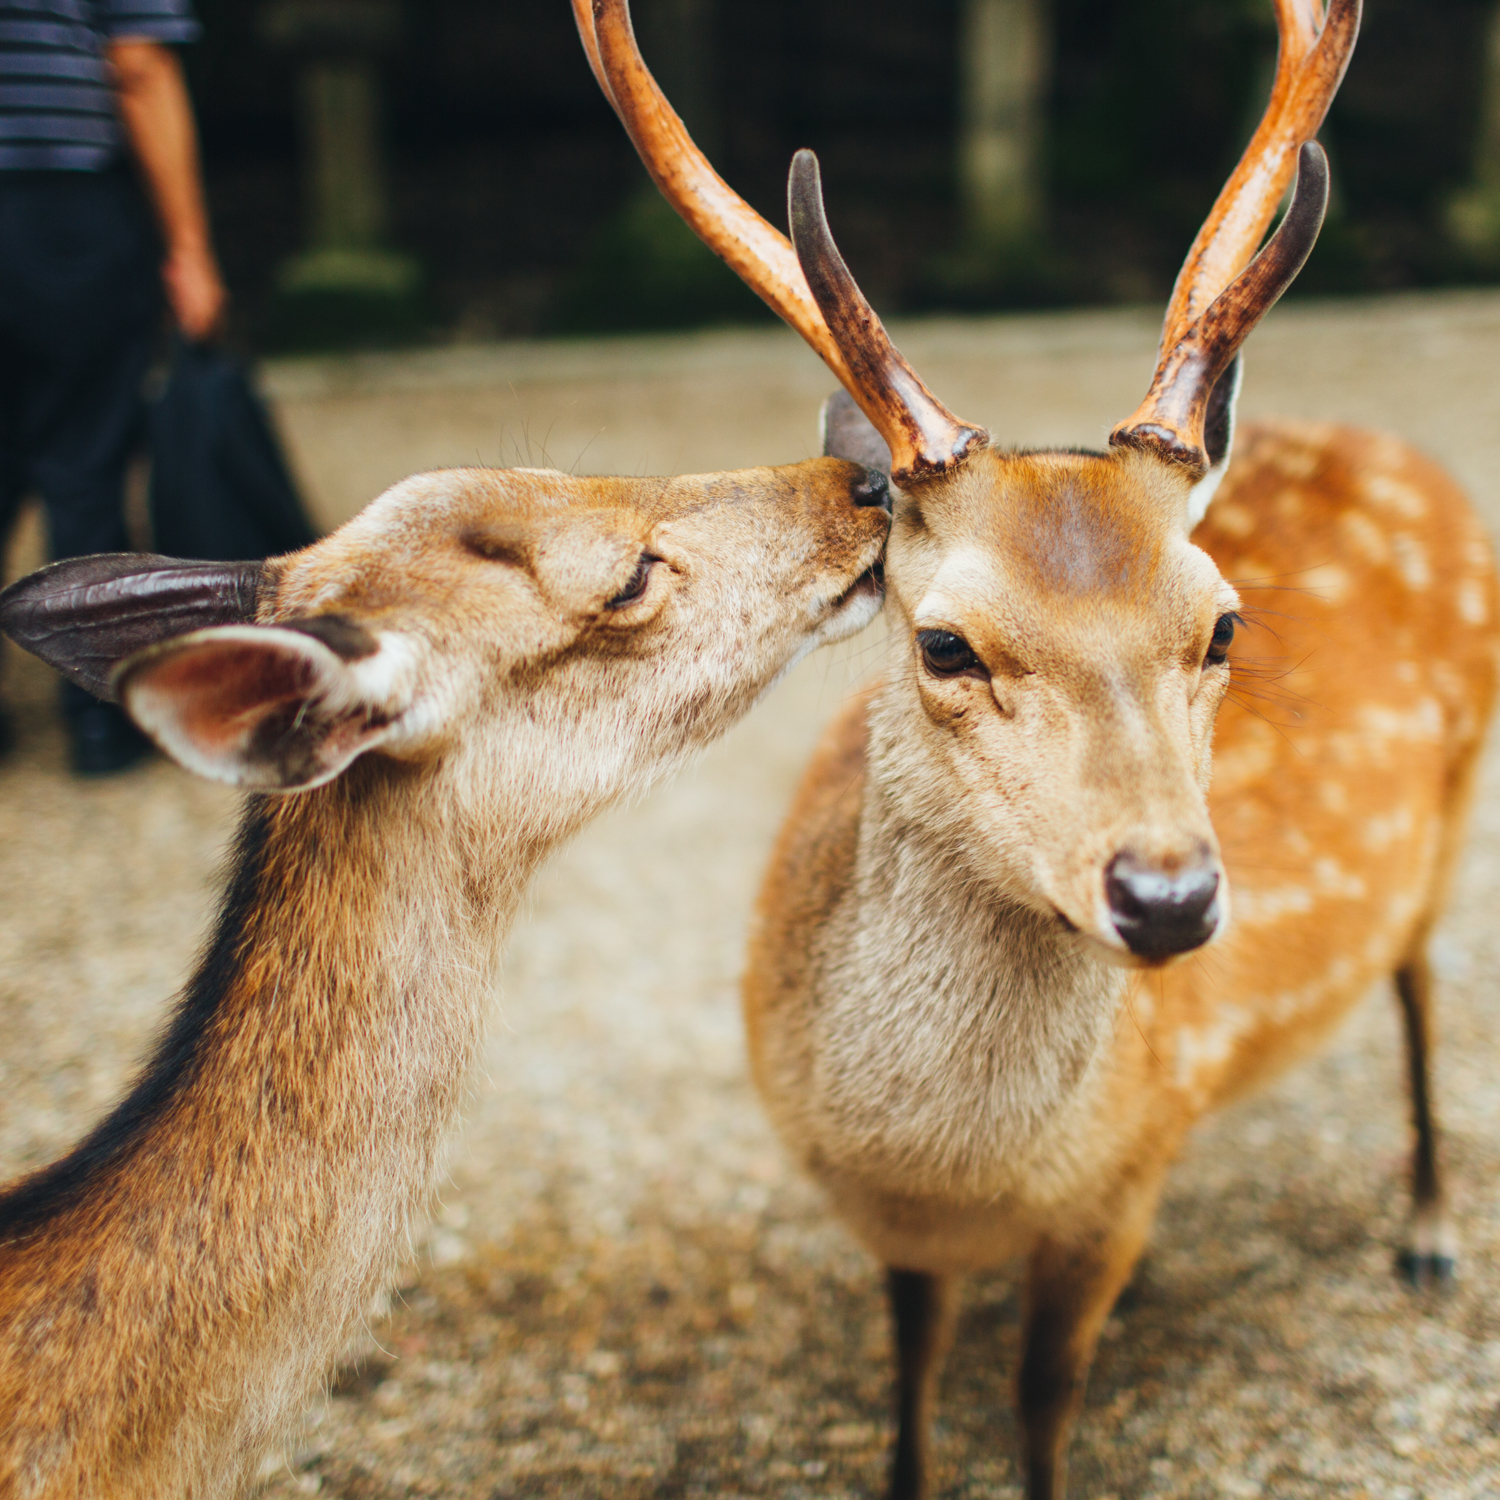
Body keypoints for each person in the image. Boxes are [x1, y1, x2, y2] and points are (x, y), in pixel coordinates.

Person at [0, 0, 225, 775]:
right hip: (62, 213)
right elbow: (139, 66)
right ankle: (98, 723)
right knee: (84, 462)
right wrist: (189, 249)